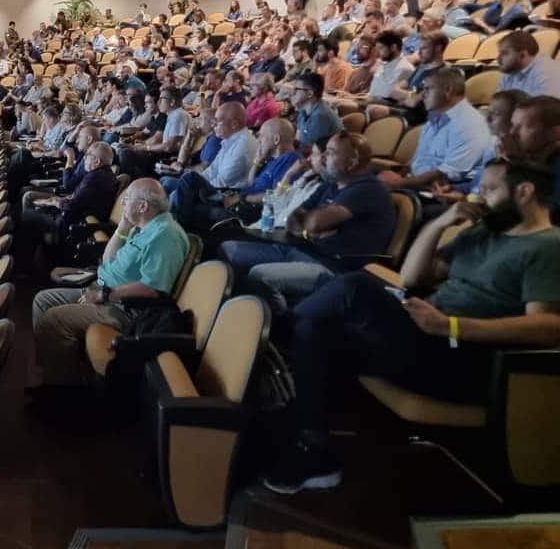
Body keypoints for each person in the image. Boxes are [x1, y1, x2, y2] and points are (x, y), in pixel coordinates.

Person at [265, 158, 560, 494]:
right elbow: (412, 277)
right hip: (425, 335)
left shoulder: (548, 246)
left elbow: (546, 326)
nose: (478, 196)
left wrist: (452, 326)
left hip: (465, 358)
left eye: (490, 189)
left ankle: (271, 338)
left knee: (354, 288)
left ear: (524, 192)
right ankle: (313, 449)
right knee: (317, 332)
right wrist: (439, 225)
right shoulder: (485, 231)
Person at [31, 180, 189, 387]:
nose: (122, 202)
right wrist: (122, 228)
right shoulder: (142, 226)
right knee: (43, 300)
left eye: (127, 198)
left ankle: (64, 393)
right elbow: (107, 260)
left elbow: (152, 289)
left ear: (142, 206)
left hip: (127, 308)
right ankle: (53, 374)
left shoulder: (165, 235)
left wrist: (103, 296)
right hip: (105, 289)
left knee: (54, 319)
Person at [221, 132, 395, 306]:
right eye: (325, 151)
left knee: (260, 275)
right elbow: (293, 218)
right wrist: (308, 232)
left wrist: (310, 222)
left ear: (352, 162)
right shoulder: (330, 184)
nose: (324, 157)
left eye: (331, 152)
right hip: (299, 248)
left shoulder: (368, 189)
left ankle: (282, 323)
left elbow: (315, 222)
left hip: (330, 266)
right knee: (227, 249)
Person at [378, 68, 491, 189]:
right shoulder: (434, 118)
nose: (422, 95)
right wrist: (398, 176)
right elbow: (417, 161)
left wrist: (399, 183)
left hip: (442, 192)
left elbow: (445, 175)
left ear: (448, 90)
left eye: (428, 89)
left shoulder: (470, 124)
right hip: (415, 183)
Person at [497, 30, 560, 98]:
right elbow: (499, 105)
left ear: (523, 55)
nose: (498, 58)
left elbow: (548, 108)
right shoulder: (510, 73)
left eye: (504, 53)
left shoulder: (547, 72)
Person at [290, 73, 342, 152]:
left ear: (310, 94)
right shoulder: (304, 110)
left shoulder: (320, 116)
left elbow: (306, 150)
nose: (292, 93)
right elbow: (298, 137)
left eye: (296, 89)